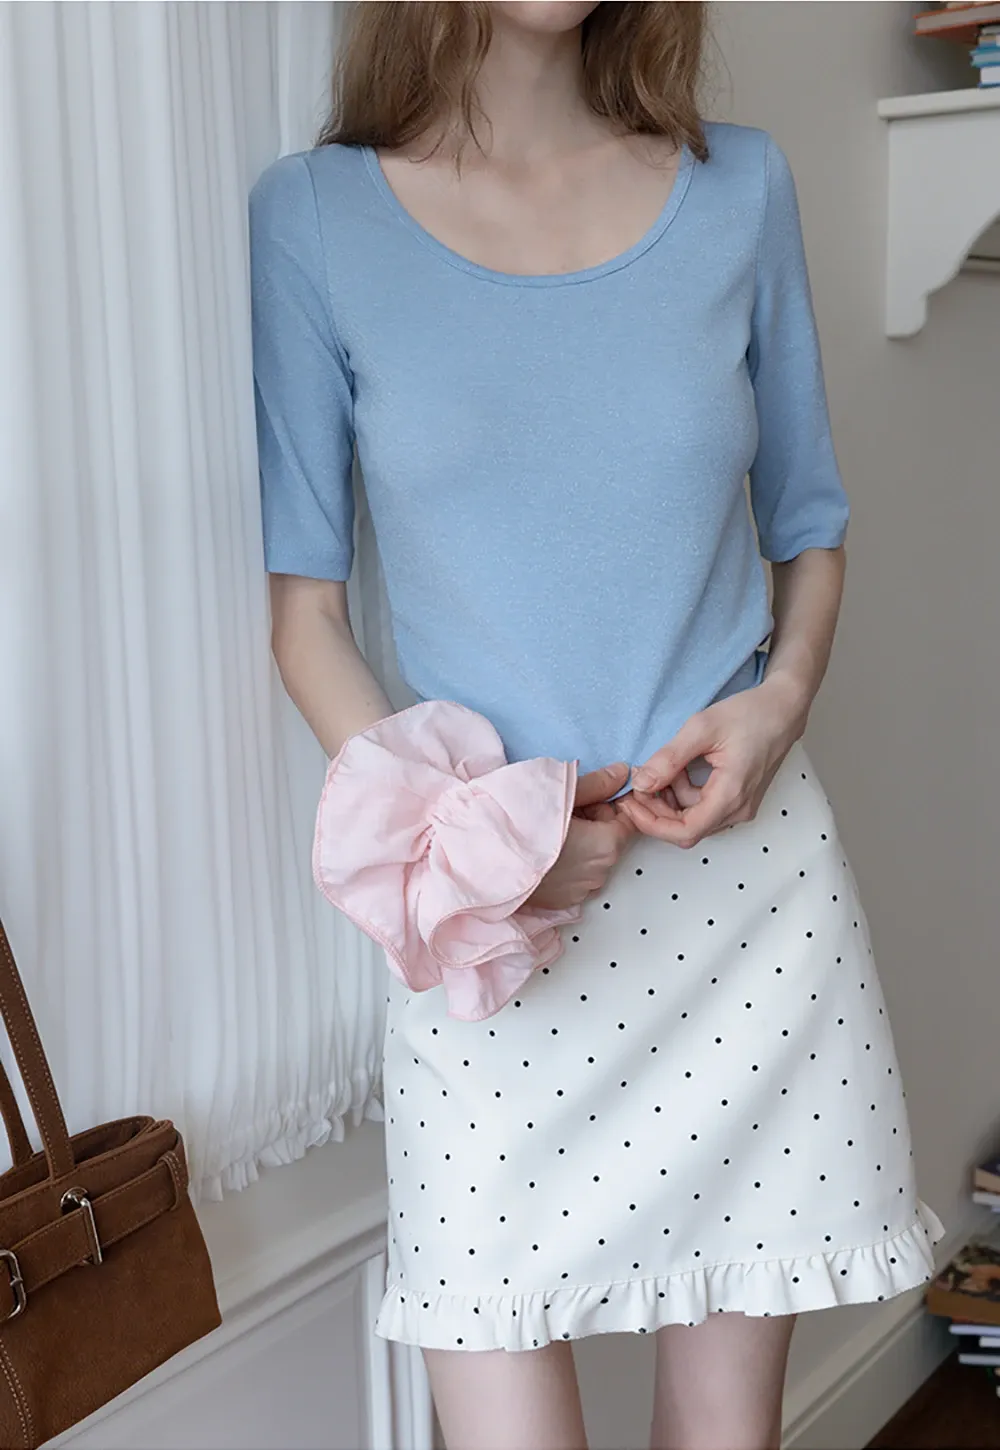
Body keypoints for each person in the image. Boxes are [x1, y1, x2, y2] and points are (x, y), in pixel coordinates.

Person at [248, 4, 944, 1447]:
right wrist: (474, 840)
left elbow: (810, 528)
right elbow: (304, 617)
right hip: (496, 935)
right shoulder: (315, 220)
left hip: (748, 916)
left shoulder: (741, 189)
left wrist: (777, 707)